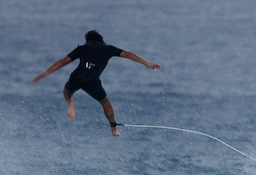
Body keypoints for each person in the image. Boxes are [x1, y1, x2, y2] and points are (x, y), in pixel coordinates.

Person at [32, 30, 161, 136]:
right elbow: (127, 54)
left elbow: (63, 61)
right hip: (92, 81)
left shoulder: (82, 48)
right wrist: (147, 63)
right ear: (100, 40)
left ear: (88, 40)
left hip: (77, 76)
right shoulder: (109, 49)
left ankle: (70, 102)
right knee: (105, 102)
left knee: (67, 90)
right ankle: (113, 128)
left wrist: (45, 73)